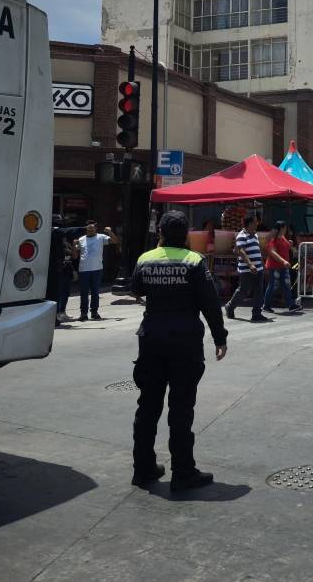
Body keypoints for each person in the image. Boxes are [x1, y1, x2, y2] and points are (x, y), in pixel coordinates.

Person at [129, 209, 228, 493]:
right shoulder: (194, 261)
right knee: (181, 407)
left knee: (147, 405)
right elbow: (210, 303)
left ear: (159, 233)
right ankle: (183, 472)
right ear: (186, 235)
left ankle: (143, 468)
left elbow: (136, 289)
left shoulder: (145, 258)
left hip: (151, 337)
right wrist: (219, 337)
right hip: (185, 340)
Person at [225, 215, 267, 322]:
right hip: (247, 269)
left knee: (259, 290)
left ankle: (256, 313)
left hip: (258, 268)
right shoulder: (241, 236)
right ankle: (230, 306)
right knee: (243, 290)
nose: (257, 224)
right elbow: (241, 251)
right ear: (249, 224)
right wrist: (250, 264)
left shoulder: (255, 235)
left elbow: (257, 251)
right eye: (255, 222)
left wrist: (262, 264)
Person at [73, 221, 117, 321]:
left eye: (92, 229)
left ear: (95, 229)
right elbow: (75, 256)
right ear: (86, 229)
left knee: (95, 292)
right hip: (84, 269)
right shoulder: (81, 239)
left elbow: (115, 241)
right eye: (89, 229)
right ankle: (83, 313)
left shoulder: (101, 237)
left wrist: (110, 232)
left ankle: (94, 312)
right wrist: (73, 246)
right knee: (84, 293)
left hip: (97, 269)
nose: (91, 231)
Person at [263, 220, 303, 313]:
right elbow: (272, 252)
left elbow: (284, 248)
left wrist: (290, 245)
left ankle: (291, 305)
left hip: (283, 266)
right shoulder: (273, 238)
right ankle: (266, 306)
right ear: (281, 228)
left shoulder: (282, 237)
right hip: (275, 266)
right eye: (285, 228)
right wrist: (283, 261)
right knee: (273, 286)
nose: (286, 230)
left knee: (286, 285)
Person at [48, 218, 71, 325]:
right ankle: (54, 318)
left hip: (50, 267)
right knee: (54, 294)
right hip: (55, 268)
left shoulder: (48, 232)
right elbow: (59, 251)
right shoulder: (57, 233)